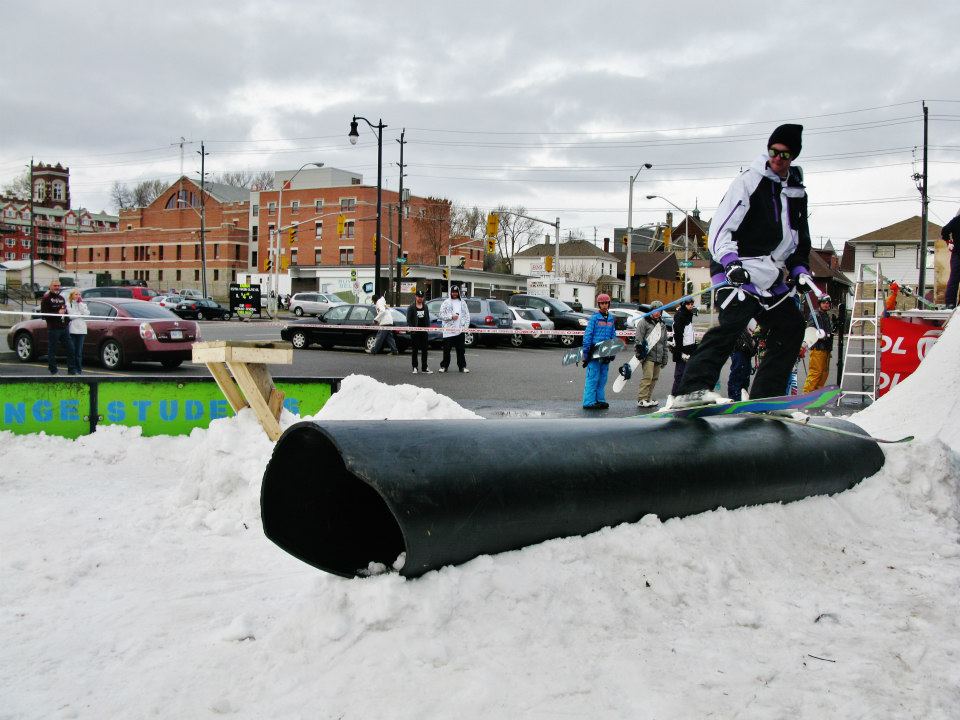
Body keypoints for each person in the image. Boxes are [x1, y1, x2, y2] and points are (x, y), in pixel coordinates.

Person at [672, 123, 811, 407]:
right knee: (734, 323)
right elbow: (720, 229)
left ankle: (765, 397)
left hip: (768, 273)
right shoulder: (749, 182)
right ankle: (690, 390)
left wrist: (799, 270)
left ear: (793, 157)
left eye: (784, 155)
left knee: (792, 324)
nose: (777, 158)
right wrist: (730, 262)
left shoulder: (796, 194)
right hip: (735, 265)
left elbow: (799, 240)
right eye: (773, 151)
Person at [581, 293, 617, 410]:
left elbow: (613, 334)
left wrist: (613, 350)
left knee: (603, 378)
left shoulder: (611, 318)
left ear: (609, 304)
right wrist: (586, 352)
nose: (605, 305)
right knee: (593, 377)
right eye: (602, 303)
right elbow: (588, 334)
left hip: (605, 351)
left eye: (606, 303)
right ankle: (589, 402)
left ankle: (600, 400)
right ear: (599, 304)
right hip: (594, 351)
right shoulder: (594, 318)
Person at [634, 300, 670, 408]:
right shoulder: (644, 322)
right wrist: (639, 353)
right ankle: (642, 399)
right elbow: (638, 339)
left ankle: (648, 398)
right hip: (648, 355)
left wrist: (665, 357)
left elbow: (664, 342)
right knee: (647, 377)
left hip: (658, 356)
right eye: (655, 310)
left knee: (654, 378)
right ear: (651, 311)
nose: (657, 313)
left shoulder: (662, 324)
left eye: (659, 311)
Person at [801, 294, 835, 393]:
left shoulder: (825, 315)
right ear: (820, 303)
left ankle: (816, 394)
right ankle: (806, 394)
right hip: (818, 348)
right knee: (816, 372)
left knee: (824, 373)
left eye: (828, 303)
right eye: (824, 303)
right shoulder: (815, 315)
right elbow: (810, 330)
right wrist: (820, 334)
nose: (826, 304)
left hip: (826, 348)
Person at [39, 280, 70, 375]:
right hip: (53, 328)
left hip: (64, 328)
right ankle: (53, 370)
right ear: (50, 286)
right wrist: (57, 313)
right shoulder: (46, 298)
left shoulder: (61, 298)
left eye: (58, 285)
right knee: (52, 349)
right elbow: (44, 315)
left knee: (70, 348)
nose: (57, 287)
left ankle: (72, 371)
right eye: (55, 285)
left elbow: (65, 312)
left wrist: (67, 320)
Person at [669, 298, 698, 397]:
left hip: (689, 348)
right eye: (688, 304)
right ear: (683, 304)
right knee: (680, 374)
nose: (691, 306)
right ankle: (676, 395)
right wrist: (680, 352)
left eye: (692, 304)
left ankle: (684, 394)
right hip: (683, 349)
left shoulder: (688, 315)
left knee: (688, 374)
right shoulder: (681, 316)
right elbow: (678, 335)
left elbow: (689, 334)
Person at [439, 285, 471, 373]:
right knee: (446, 350)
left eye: (456, 292)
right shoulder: (446, 302)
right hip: (448, 331)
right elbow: (441, 315)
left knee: (461, 350)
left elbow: (467, 315)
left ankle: (462, 367)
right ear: (450, 292)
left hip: (459, 331)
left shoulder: (462, 302)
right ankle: (444, 366)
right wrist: (451, 317)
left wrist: (465, 327)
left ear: (458, 293)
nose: (454, 294)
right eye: (453, 292)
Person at [727, 319, 758, 401]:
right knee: (739, 372)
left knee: (745, 373)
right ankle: (735, 396)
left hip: (747, 347)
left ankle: (741, 395)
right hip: (740, 346)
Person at [406, 290, 432, 374]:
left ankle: (424, 367)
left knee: (425, 350)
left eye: (421, 297)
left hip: (424, 331)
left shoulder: (425, 306)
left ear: (423, 298)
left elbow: (427, 317)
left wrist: (428, 327)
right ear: (415, 297)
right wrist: (412, 328)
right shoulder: (411, 307)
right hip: (415, 332)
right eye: (418, 296)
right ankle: (415, 367)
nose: (420, 298)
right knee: (415, 350)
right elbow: (409, 319)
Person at [65, 287, 89, 375]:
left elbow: (87, 314)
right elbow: (71, 316)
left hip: (82, 330)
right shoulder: (68, 304)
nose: (78, 296)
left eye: (79, 294)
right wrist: (80, 314)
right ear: (72, 295)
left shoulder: (83, 304)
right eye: (76, 294)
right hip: (72, 330)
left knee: (79, 353)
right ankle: (72, 369)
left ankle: (79, 370)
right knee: (72, 351)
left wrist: (80, 305)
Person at [941, 209, 960, 309]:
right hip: (957, 253)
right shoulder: (957, 220)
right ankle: (951, 304)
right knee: (954, 279)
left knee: (954, 279)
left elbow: (944, 231)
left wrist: (949, 242)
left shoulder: (956, 220)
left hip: (957, 254)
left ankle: (950, 304)